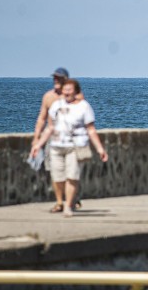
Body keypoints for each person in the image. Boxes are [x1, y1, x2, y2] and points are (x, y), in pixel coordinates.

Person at [31, 79, 108, 217]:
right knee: (58, 177)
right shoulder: (55, 106)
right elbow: (50, 128)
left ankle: (68, 205)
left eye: (69, 89)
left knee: (72, 177)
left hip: (75, 146)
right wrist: (38, 144)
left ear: (76, 91)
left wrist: (100, 149)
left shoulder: (84, 107)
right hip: (56, 146)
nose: (66, 92)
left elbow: (91, 129)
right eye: (64, 89)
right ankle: (63, 200)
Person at [32, 67, 84, 211]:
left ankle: (72, 198)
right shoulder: (48, 97)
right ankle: (60, 202)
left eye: (59, 78)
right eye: (54, 78)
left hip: (71, 140)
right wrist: (36, 138)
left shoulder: (76, 97)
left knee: (71, 172)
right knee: (55, 171)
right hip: (53, 140)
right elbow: (41, 119)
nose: (56, 80)